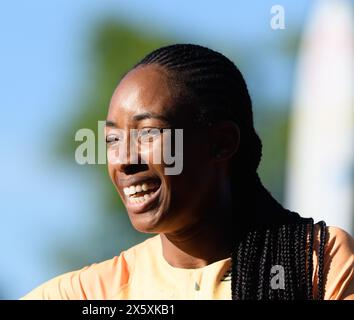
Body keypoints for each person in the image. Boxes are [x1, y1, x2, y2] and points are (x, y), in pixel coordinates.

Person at [22, 44, 354, 300]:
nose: (124, 160)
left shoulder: (316, 262)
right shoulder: (89, 294)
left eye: (148, 133)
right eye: (112, 139)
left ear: (221, 143)